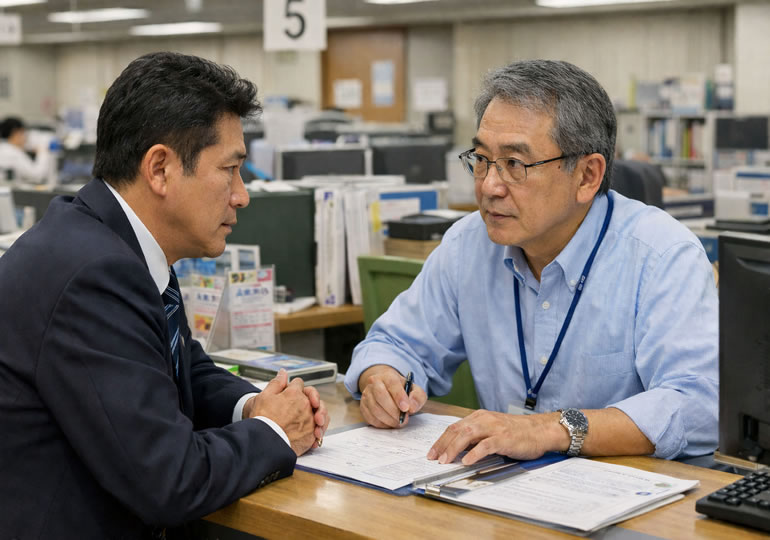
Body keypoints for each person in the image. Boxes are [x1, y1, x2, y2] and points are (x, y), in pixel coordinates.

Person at [0, 51, 329, 538]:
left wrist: (255, 406)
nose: (243, 195)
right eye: (230, 169)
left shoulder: (110, 240)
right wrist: (275, 433)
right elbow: (170, 481)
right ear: (160, 169)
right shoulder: (95, 274)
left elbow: (179, 366)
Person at [345, 59, 718, 467]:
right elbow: (393, 344)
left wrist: (549, 429)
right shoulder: (468, 244)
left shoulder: (661, 255)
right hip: (503, 493)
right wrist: (381, 378)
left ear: (588, 176)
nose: (489, 186)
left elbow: (697, 404)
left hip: (629, 503)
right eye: (482, 159)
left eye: (515, 165)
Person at [0, 116, 50, 183]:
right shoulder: (14, 153)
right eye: (23, 133)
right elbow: (36, 175)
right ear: (16, 133)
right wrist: (42, 152)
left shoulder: (4, 148)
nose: (25, 137)